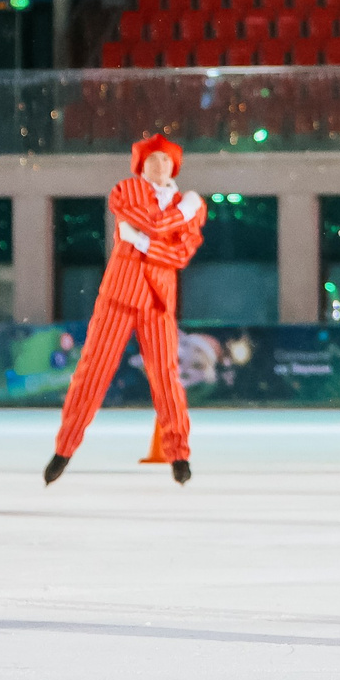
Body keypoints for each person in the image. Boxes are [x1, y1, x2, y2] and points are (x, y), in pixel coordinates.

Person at [45, 134, 206, 485]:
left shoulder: (189, 205)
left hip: (158, 301)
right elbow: (159, 227)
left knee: (166, 377)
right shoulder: (127, 191)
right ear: (140, 166)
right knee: (92, 373)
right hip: (119, 294)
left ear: (174, 165)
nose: (159, 166)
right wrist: (179, 216)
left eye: (165, 160)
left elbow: (181, 255)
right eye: (152, 160)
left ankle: (178, 454)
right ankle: (64, 449)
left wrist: (145, 242)